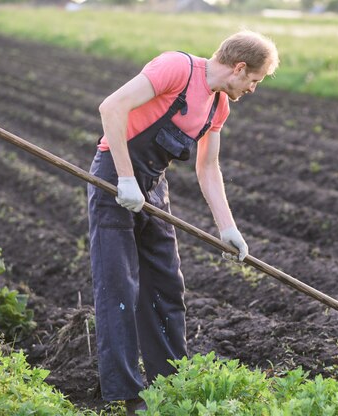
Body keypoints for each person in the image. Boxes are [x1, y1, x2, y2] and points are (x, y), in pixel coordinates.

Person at [86, 31, 279, 415]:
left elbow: (208, 167)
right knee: (119, 288)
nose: (253, 89)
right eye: (254, 80)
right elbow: (111, 108)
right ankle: (129, 396)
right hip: (114, 180)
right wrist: (124, 179)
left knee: (166, 285)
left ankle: (171, 383)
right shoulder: (176, 68)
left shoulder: (218, 106)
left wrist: (228, 228)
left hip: (154, 188)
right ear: (240, 68)